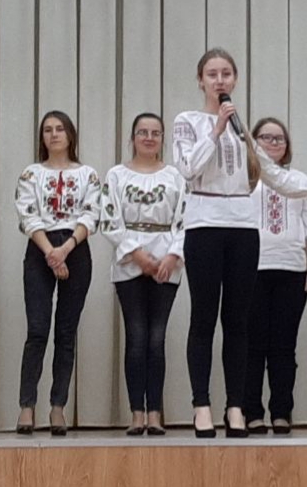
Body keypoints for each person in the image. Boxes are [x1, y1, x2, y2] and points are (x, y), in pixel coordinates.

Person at [172, 47, 307, 438]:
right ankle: (201, 405)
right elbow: (188, 168)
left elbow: (272, 174)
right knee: (203, 318)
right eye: (212, 74)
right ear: (201, 80)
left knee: (237, 322)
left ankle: (235, 406)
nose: (220, 80)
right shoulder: (188, 121)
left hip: (243, 229)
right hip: (204, 225)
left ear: (235, 79)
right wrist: (215, 130)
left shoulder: (241, 128)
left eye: (226, 74)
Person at [14, 110, 100, 436]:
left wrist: (65, 249)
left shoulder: (88, 174)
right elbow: (27, 214)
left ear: (70, 135)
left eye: (60, 129)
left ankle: (57, 407)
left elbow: (91, 214)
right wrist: (51, 251)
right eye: (48, 130)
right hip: (40, 248)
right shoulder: (31, 174)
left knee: (66, 333)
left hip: (75, 248)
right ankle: (26, 405)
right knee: (37, 330)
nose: (53, 134)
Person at [100, 113, 185, 436]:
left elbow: (186, 218)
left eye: (155, 133)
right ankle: (137, 412)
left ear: (163, 138)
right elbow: (109, 219)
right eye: (142, 132)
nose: (149, 138)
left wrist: (172, 255)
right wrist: (137, 254)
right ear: (132, 138)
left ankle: (155, 413)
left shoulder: (176, 176)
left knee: (156, 338)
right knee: (136, 336)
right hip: (129, 263)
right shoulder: (116, 175)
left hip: (167, 262)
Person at [243, 117, 307, 435]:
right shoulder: (245, 178)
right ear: (254, 143)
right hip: (252, 270)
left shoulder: (299, 180)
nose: (273, 143)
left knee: (283, 345)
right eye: (266, 137)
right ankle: (252, 412)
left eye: (279, 138)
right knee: (252, 345)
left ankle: (281, 411)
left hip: (292, 271)